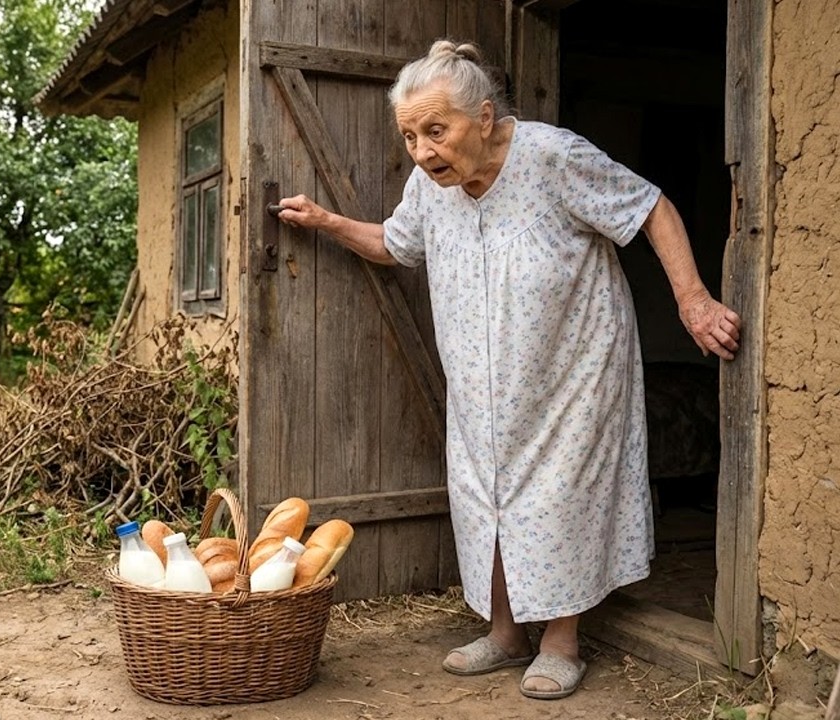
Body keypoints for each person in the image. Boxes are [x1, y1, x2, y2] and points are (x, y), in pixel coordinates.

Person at [275, 39, 741, 700]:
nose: (422, 150)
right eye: (409, 135)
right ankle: (504, 633)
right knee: (485, 497)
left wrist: (693, 301)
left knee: (558, 497)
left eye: (435, 131)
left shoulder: (553, 156)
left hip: (571, 371)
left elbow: (649, 209)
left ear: (485, 118)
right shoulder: (429, 185)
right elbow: (395, 243)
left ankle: (561, 642)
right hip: (481, 379)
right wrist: (326, 221)